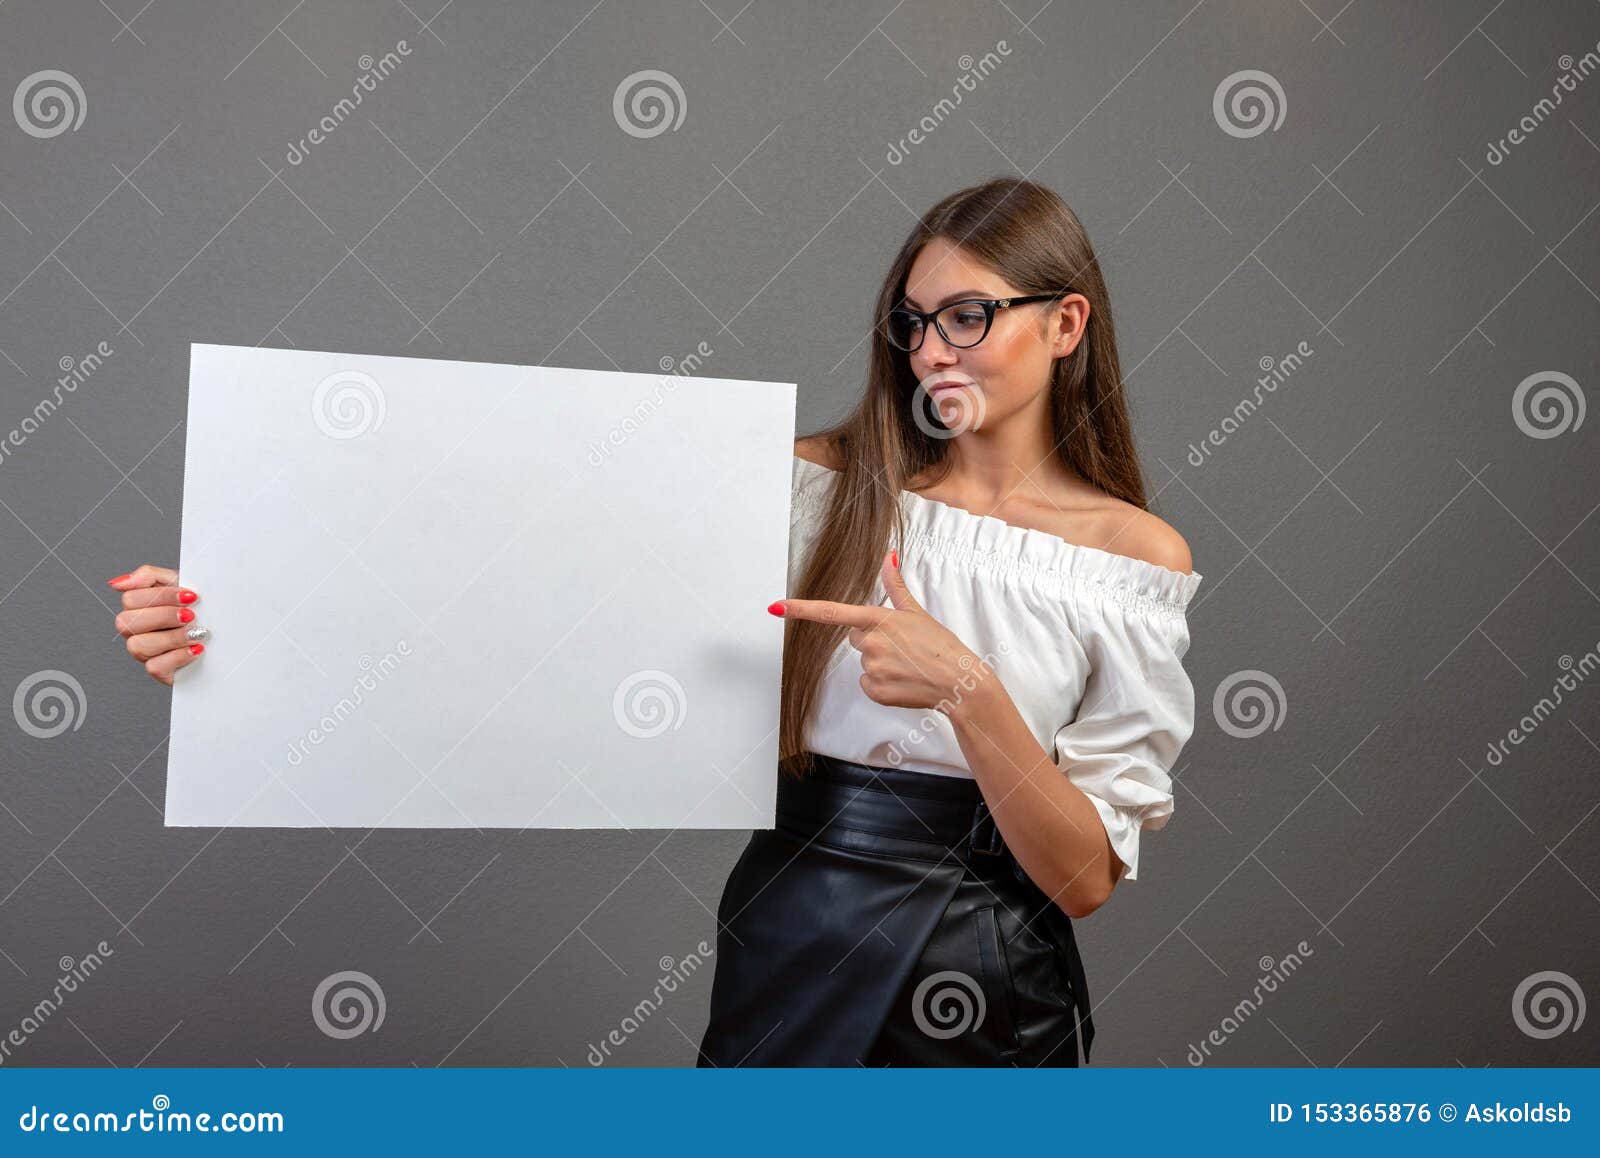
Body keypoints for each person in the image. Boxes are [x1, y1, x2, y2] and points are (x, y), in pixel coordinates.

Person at [106, 174, 1201, 1067]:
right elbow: (503, 581)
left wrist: (968, 692)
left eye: (968, 316)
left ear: (1064, 324)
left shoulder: (1131, 562)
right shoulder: (807, 489)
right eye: (913, 322)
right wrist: (228, 624)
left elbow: (1082, 881)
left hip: (997, 990)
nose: (929, 351)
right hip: (793, 935)